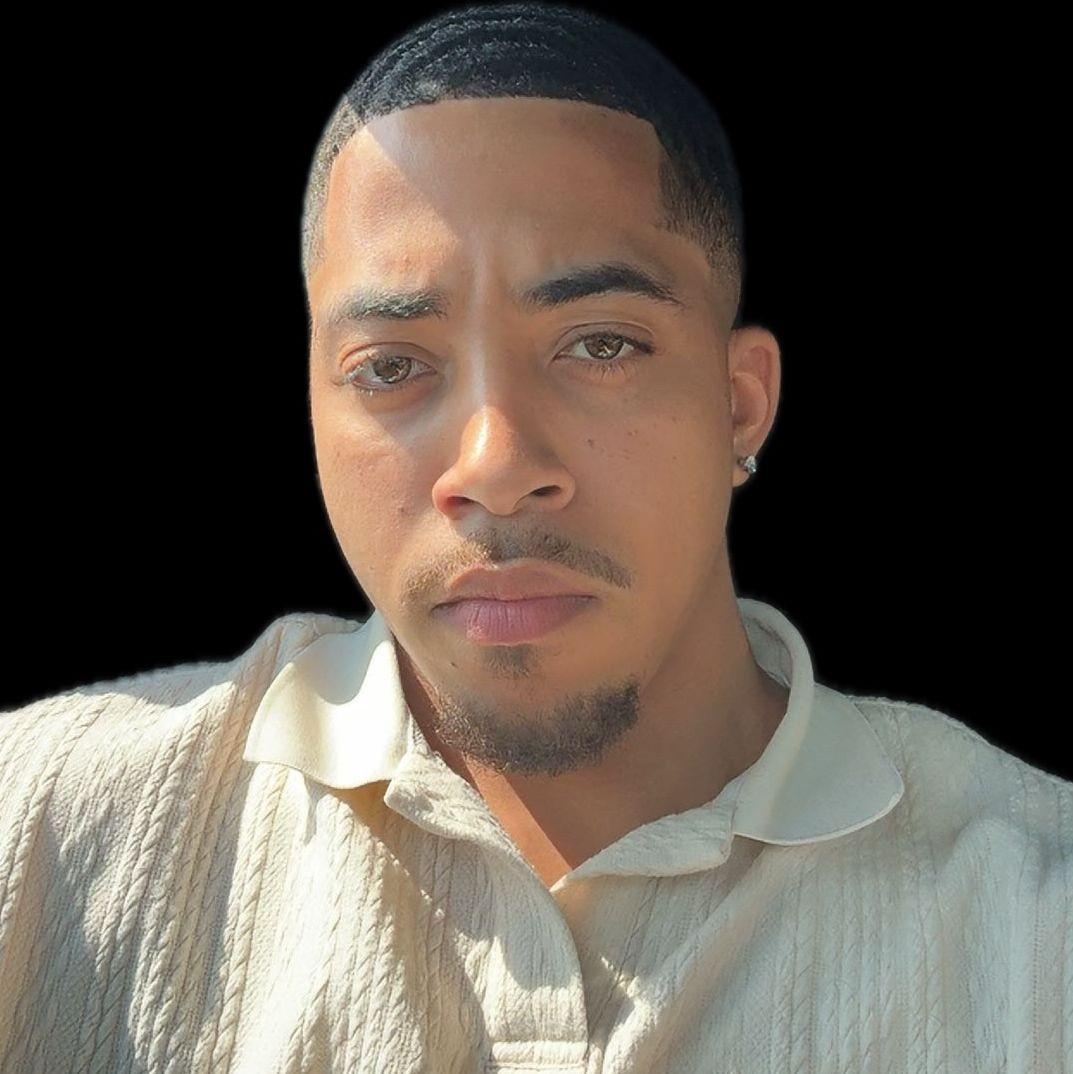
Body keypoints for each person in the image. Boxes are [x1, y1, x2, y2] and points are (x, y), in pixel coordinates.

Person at [1, 4, 1069, 1072]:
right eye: (389, 366)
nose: (495, 463)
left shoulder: (1036, 914)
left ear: (739, 405)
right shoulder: (43, 823)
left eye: (600, 344)